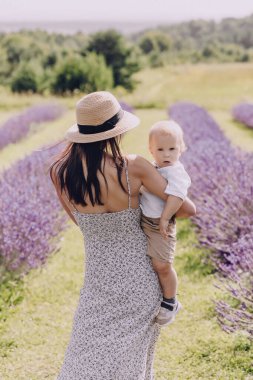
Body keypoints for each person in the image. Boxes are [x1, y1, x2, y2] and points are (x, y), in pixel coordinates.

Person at [50, 91, 196, 380]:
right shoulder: (134, 167)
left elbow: (83, 225)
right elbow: (188, 209)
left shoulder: (60, 173)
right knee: (133, 365)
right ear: (114, 132)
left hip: (98, 284)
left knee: (83, 358)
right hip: (141, 282)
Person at [140, 120, 191, 327]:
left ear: (181, 149)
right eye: (160, 149)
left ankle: (171, 301)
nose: (167, 154)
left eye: (172, 149)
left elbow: (177, 196)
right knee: (149, 263)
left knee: (162, 264)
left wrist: (164, 217)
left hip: (162, 224)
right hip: (146, 220)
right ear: (151, 150)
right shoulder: (153, 168)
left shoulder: (176, 172)